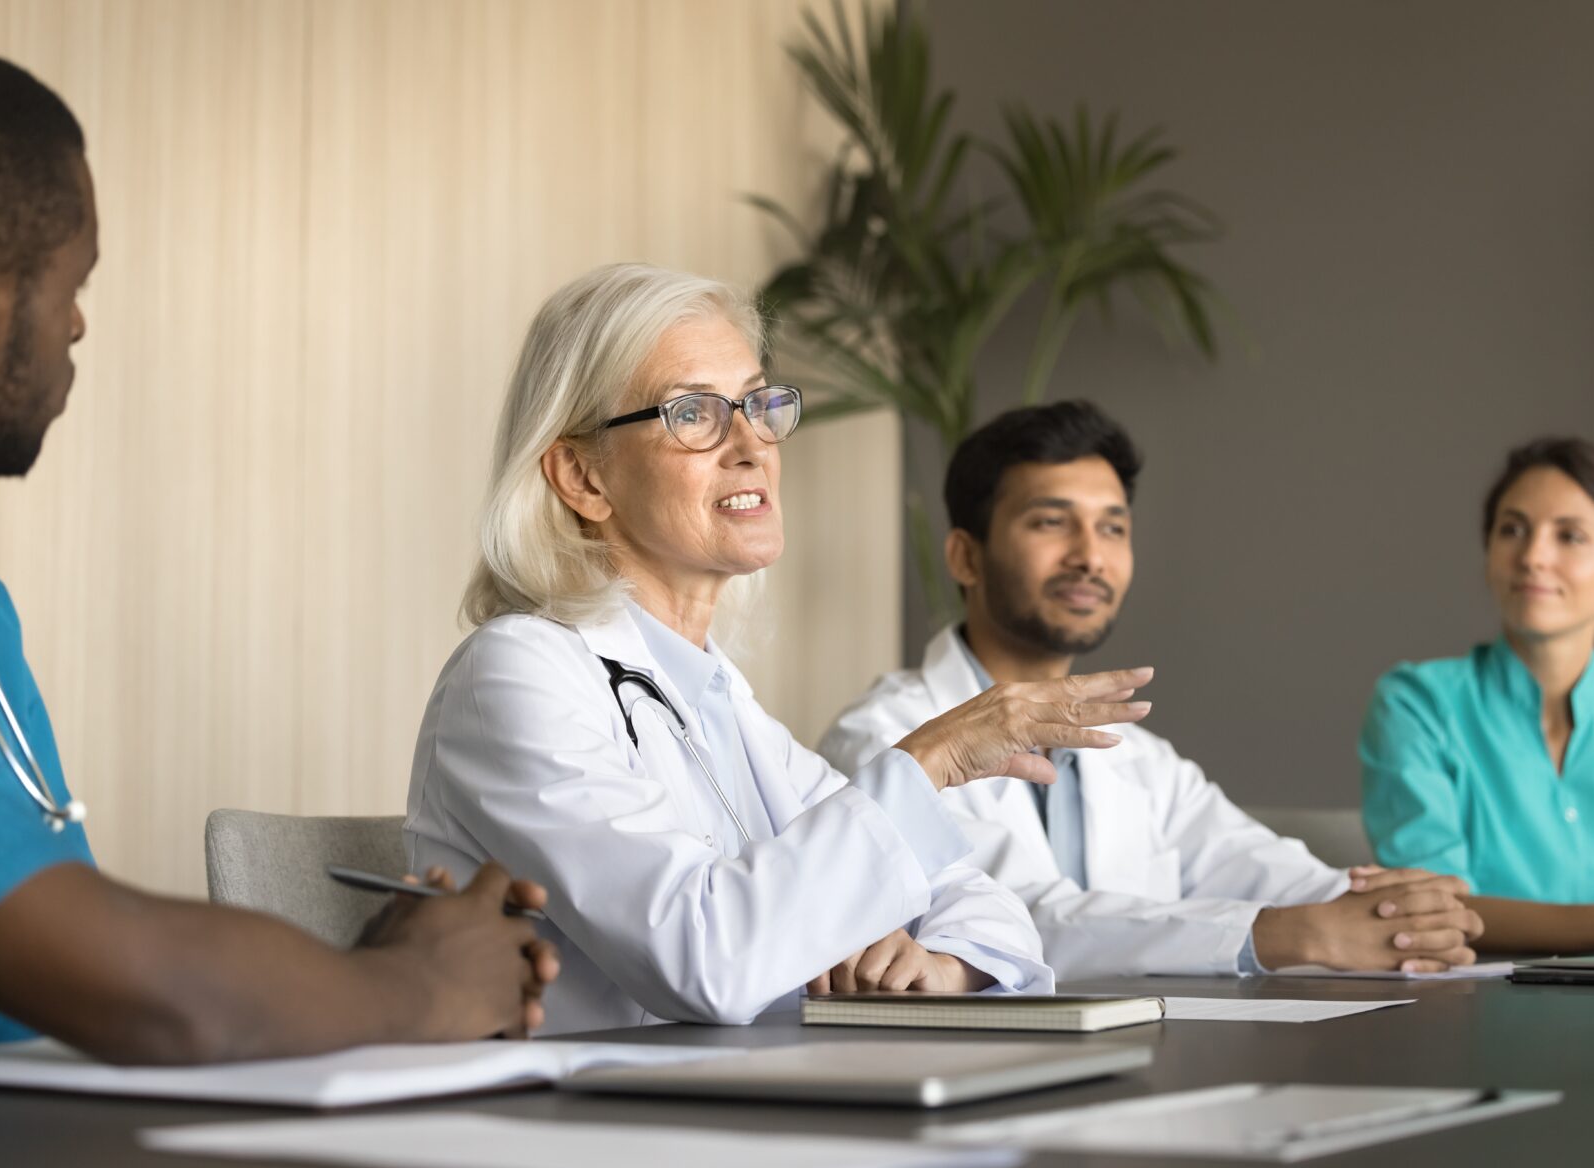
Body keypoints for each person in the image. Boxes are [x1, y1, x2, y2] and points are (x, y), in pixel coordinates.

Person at [0, 33, 556, 1060]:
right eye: (72, 286)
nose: (77, 326)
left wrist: (354, 982)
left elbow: (66, 948)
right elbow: (149, 990)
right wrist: (410, 987)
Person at [404, 265, 1157, 1035]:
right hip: (563, 1134)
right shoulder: (514, 675)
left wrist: (945, 963)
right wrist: (931, 759)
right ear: (581, 474)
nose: (751, 443)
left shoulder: (716, 695)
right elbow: (708, 963)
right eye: (693, 411)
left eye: (759, 404)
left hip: (735, 1111)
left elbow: (988, 906)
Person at [821, 400, 1484, 978]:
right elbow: (1013, 919)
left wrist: (1391, 905)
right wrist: (1289, 934)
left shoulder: (1140, 757)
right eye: (1052, 522)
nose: (1091, 555)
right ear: (966, 556)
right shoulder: (882, 739)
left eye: (1113, 527)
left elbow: (1256, 864)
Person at [1361, 436, 1594, 954]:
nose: (1533, 556)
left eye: (1569, 536)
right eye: (1513, 529)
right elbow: (1430, 908)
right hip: (1464, 1011)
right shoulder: (1414, 703)